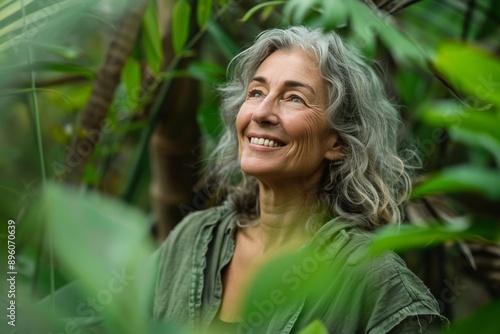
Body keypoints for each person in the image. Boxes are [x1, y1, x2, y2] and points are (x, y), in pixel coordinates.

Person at [149, 26, 447, 333]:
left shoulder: (374, 283)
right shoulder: (193, 239)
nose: (261, 112)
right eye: (256, 92)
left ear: (338, 143)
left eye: (294, 98)